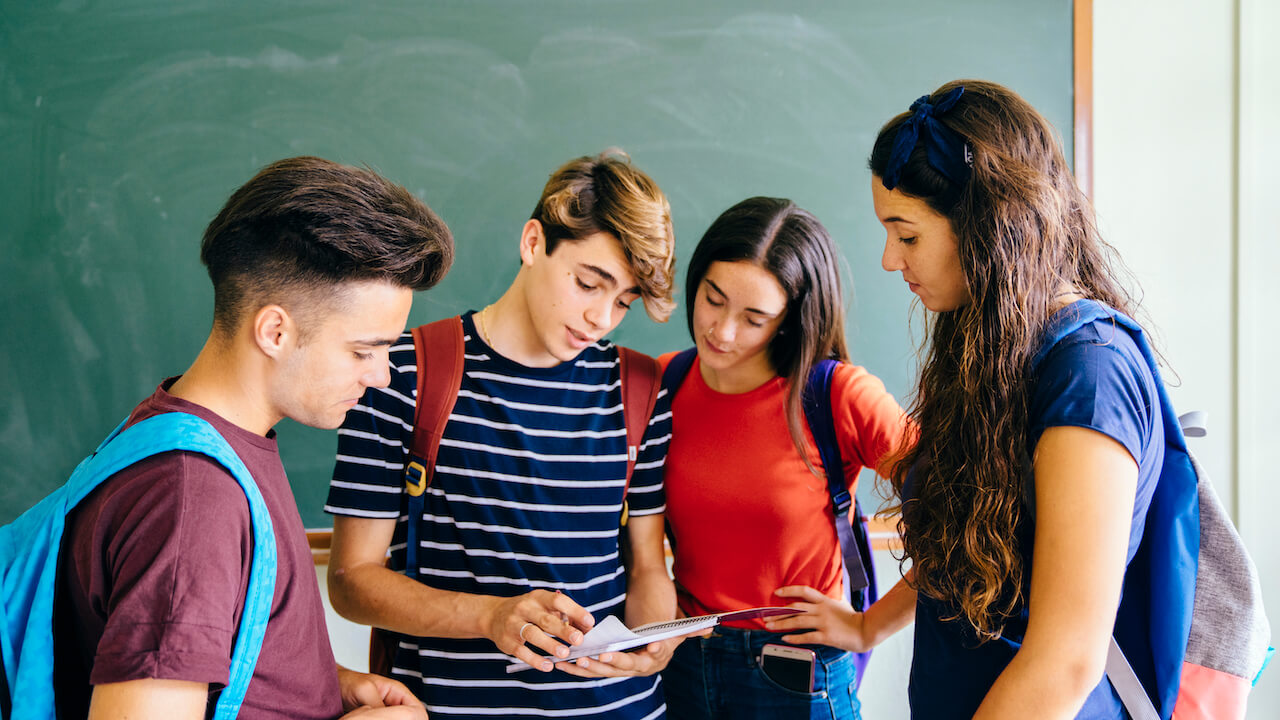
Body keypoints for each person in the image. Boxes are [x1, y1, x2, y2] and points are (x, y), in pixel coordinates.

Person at [777, 79, 1166, 719]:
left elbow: (1067, 659)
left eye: (906, 235)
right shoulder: (993, 351)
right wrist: (868, 627)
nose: (887, 259)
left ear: (988, 228)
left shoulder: (1089, 375)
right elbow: (962, 541)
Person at [51, 156, 455, 719]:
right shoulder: (193, 499)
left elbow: (202, 654)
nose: (381, 375)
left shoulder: (193, 436)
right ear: (275, 331)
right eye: (364, 351)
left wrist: (324, 683)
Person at [324, 150, 682, 718]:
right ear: (534, 242)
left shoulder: (640, 388)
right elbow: (350, 581)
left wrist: (655, 641)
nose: (602, 319)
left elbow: (646, 568)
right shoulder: (402, 374)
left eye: (623, 301)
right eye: (590, 283)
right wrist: (491, 617)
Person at [657, 196, 909, 720]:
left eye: (754, 318)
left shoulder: (838, 395)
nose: (722, 331)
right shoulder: (663, 383)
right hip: (681, 664)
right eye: (712, 298)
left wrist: (869, 627)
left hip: (794, 673)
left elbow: (970, 515)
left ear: (791, 320)